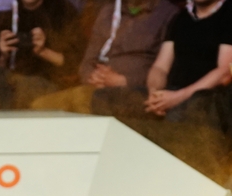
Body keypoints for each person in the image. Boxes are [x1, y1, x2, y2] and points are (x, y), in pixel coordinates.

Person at [92, 0, 232, 123]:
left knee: (177, 116)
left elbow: (224, 72)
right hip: (169, 93)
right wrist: (155, 94)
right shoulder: (181, 17)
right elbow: (160, 67)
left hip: (205, 98)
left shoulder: (228, 14)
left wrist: (178, 97)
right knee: (104, 98)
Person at [29, 0, 178, 113]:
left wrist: (123, 81)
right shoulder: (108, 11)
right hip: (95, 88)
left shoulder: (169, 13)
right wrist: (93, 78)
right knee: (39, 106)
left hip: (135, 91)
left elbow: (166, 67)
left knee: (83, 100)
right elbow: (87, 61)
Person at [0, 0, 85, 110]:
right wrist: (3, 54)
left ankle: (2, 126)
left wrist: (42, 51)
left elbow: (75, 64)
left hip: (46, 79)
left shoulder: (61, 11)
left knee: (25, 86)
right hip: (9, 79)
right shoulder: (11, 13)